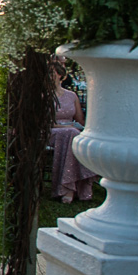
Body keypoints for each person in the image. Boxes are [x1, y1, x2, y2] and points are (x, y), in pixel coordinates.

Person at [49, 61, 95, 204]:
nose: (49, 77)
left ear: (61, 76)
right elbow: (44, 123)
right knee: (72, 134)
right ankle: (67, 188)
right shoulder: (43, 95)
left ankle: (75, 185)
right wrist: (66, 127)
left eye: (52, 73)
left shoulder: (71, 96)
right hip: (51, 131)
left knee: (78, 136)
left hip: (71, 131)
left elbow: (80, 120)